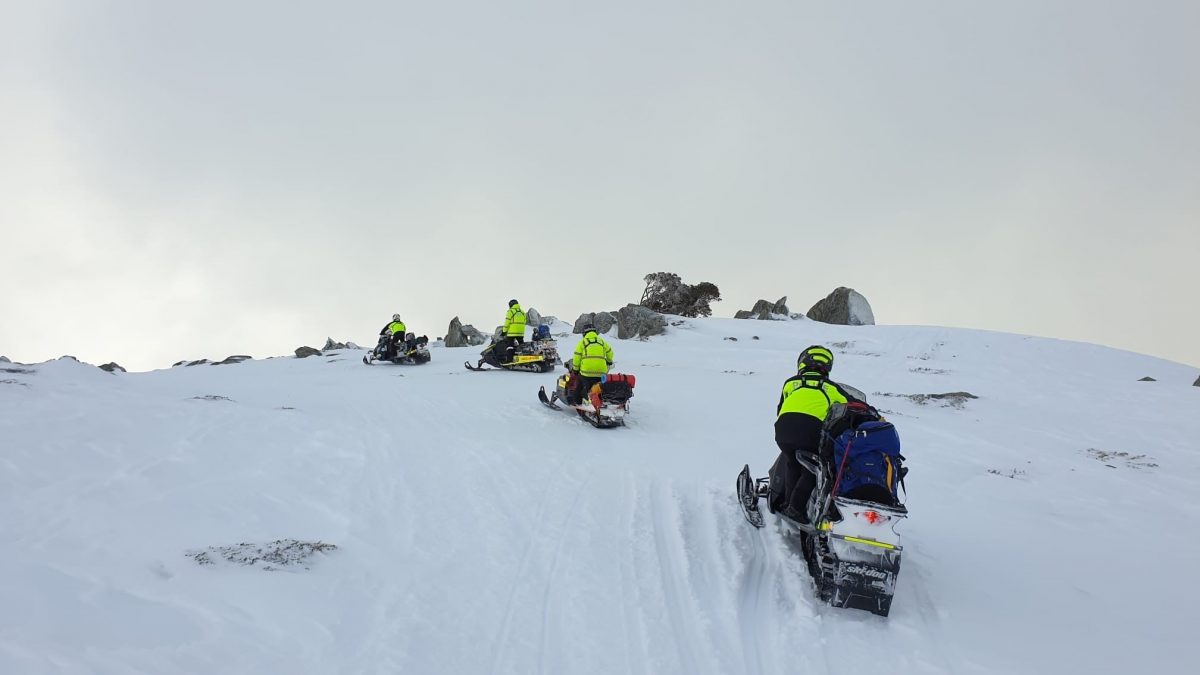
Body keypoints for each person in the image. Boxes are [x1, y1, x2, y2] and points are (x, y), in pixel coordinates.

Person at [767, 345, 860, 523]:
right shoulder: (832, 388)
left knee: (792, 462)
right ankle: (796, 509)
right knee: (812, 469)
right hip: (812, 432)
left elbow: (781, 407)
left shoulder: (790, 383)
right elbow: (852, 405)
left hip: (783, 430)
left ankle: (787, 502)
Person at [568, 324, 614, 405]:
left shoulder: (582, 342)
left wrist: (575, 369)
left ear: (584, 333)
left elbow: (577, 357)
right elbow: (610, 352)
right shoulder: (602, 342)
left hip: (586, 372)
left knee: (579, 385)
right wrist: (609, 361)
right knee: (600, 387)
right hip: (601, 372)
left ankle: (578, 402)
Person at [497, 299, 527, 363]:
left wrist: (504, 331)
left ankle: (509, 360)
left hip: (512, 333)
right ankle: (524, 357)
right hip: (521, 333)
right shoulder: (522, 312)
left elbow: (507, 322)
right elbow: (524, 321)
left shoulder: (510, 311)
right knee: (521, 345)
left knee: (510, 346)